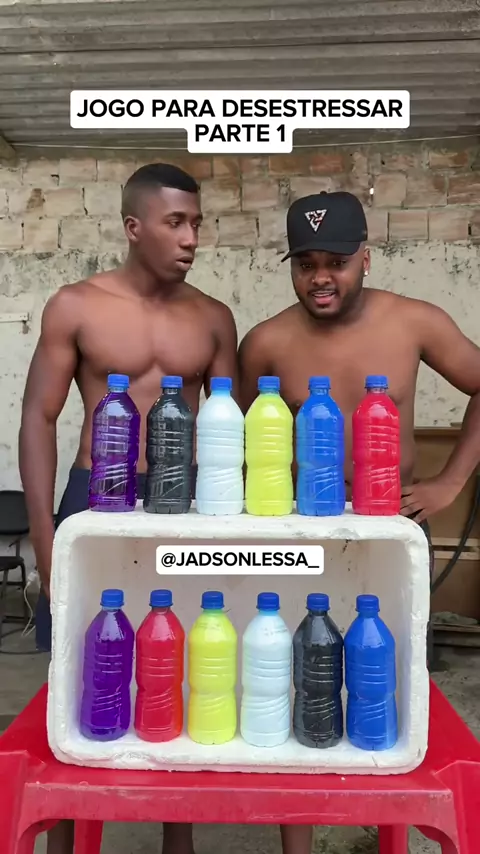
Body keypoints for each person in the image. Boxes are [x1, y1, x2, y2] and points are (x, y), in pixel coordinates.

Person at [238, 189, 480, 854]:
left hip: (391, 531)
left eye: (337, 262)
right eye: (306, 263)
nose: (321, 277)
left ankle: (388, 826)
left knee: (389, 683)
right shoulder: (265, 343)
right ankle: (297, 844)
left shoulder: (415, 322)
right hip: (302, 533)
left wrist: (451, 481)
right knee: (301, 679)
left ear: (365, 258)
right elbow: (242, 444)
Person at [18, 162, 239, 854]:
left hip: (184, 500)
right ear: (134, 226)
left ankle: (179, 839)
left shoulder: (213, 318)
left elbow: (226, 434)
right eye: (176, 222)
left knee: (178, 662)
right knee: (78, 672)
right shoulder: (75, 306)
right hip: (96, 497)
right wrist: (46, 541)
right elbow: (37, 419)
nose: (191, 238)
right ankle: (66, 836)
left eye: (197, 223)